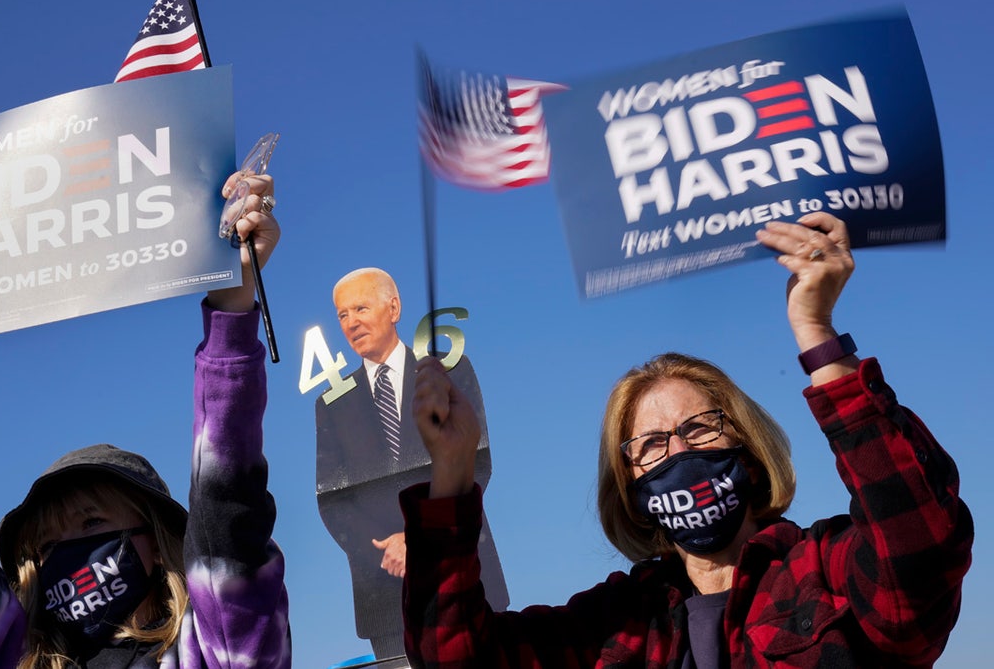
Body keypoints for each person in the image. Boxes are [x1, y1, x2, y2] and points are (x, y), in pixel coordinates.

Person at [402, 213, 973, 667]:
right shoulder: (618, 622)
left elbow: (921, 551)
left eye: (699, 427)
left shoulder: (826, 570)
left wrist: (818, 336)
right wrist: (453, 469)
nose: (678, 451)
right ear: (629, 486)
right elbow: (455, 656)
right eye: (649, 445)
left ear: (747, 449)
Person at [0, 170, 291, 668]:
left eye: (94, 522)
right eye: (49, 543)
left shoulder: (214, 651)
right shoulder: (7, 659)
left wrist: (233, 304)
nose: (72, 550)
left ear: (161, 544)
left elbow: (227, 504)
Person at [314, 267, 508, 660]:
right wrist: (388, 552)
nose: (351, 323)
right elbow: (334, 502)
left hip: (467, 577)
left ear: (394, 307)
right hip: (385, 598)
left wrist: (417, 539)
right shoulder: (330, 406)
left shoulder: (448, 372)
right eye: (342, 315)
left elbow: (476, 460)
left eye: (360, 308)